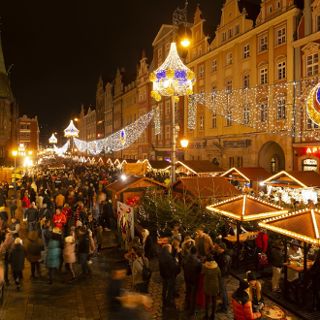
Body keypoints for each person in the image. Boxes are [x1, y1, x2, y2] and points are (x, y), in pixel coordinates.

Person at [159, 244, 180, 308]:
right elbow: (173, 267)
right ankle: (168, 302)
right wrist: (176, 262)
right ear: (168, 248)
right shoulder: (168, 257)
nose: (171, 250)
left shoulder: (162, 255)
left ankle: (164, 298)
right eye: (170, 248)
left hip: (163, 274)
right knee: (170, 289)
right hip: (169, 275)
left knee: (164, 287)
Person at [182, 245, 201, 316]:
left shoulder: (185, 258)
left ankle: (186, 306)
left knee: (188, 292)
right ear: (196, 252)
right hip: (194, 280)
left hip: (187, 278)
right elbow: (199, 271)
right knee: (193, 295)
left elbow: (183, 266)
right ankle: (192, 311)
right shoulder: (198, 261)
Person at [202, 255, 221, 320]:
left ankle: (206, 314)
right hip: (215, 285)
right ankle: (213, 315)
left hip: (207, 285)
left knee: (207, 301)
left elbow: (202, 273)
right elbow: (219, 276)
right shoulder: (217, 267)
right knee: (214, 301)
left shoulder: (205, 267)